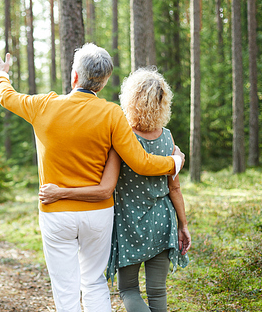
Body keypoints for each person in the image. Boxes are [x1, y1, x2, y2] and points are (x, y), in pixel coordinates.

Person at [0, 44, 185, 312]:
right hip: (98, 214)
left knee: (66, 290)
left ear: (74, 76)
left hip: (55, 212)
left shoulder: (42, 105)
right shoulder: (112, 114)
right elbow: (142, 163)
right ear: (104, 82)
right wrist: (174, 162)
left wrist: (1, 74)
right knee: (94, 283)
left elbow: (6, 96)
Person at [39, 67, 191, 312]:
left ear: (130, 100)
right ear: (164, 103)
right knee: (157, 292)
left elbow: (105, 185)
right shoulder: (168, 139)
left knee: (129, 290)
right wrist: (183, 225)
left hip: (128, 223)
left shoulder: (122, 138)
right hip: (162, 221)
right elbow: (175, 188)